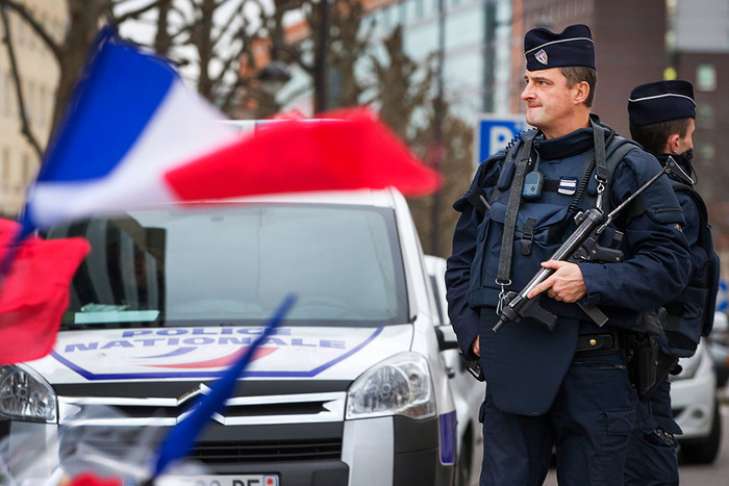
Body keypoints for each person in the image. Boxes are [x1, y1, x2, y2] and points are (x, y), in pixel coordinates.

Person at [445, 24, 691, 486]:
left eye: (542, 82)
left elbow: (672, 265)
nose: (527, 93)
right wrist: (471, 333)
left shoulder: (630, 168)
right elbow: (462, 263)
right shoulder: (500, 170)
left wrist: (590, 280)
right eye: (527, 81)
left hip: (595, 371)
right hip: (512, 365)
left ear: (580, 91)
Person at [624, 80, 720, 485]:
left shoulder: (627, 180)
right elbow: (670, 274)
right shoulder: (671, 195)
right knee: (653, 466)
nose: (693, 144)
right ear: (676, 141)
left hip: (637, 352)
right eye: (691, 135)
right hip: (648, 353)